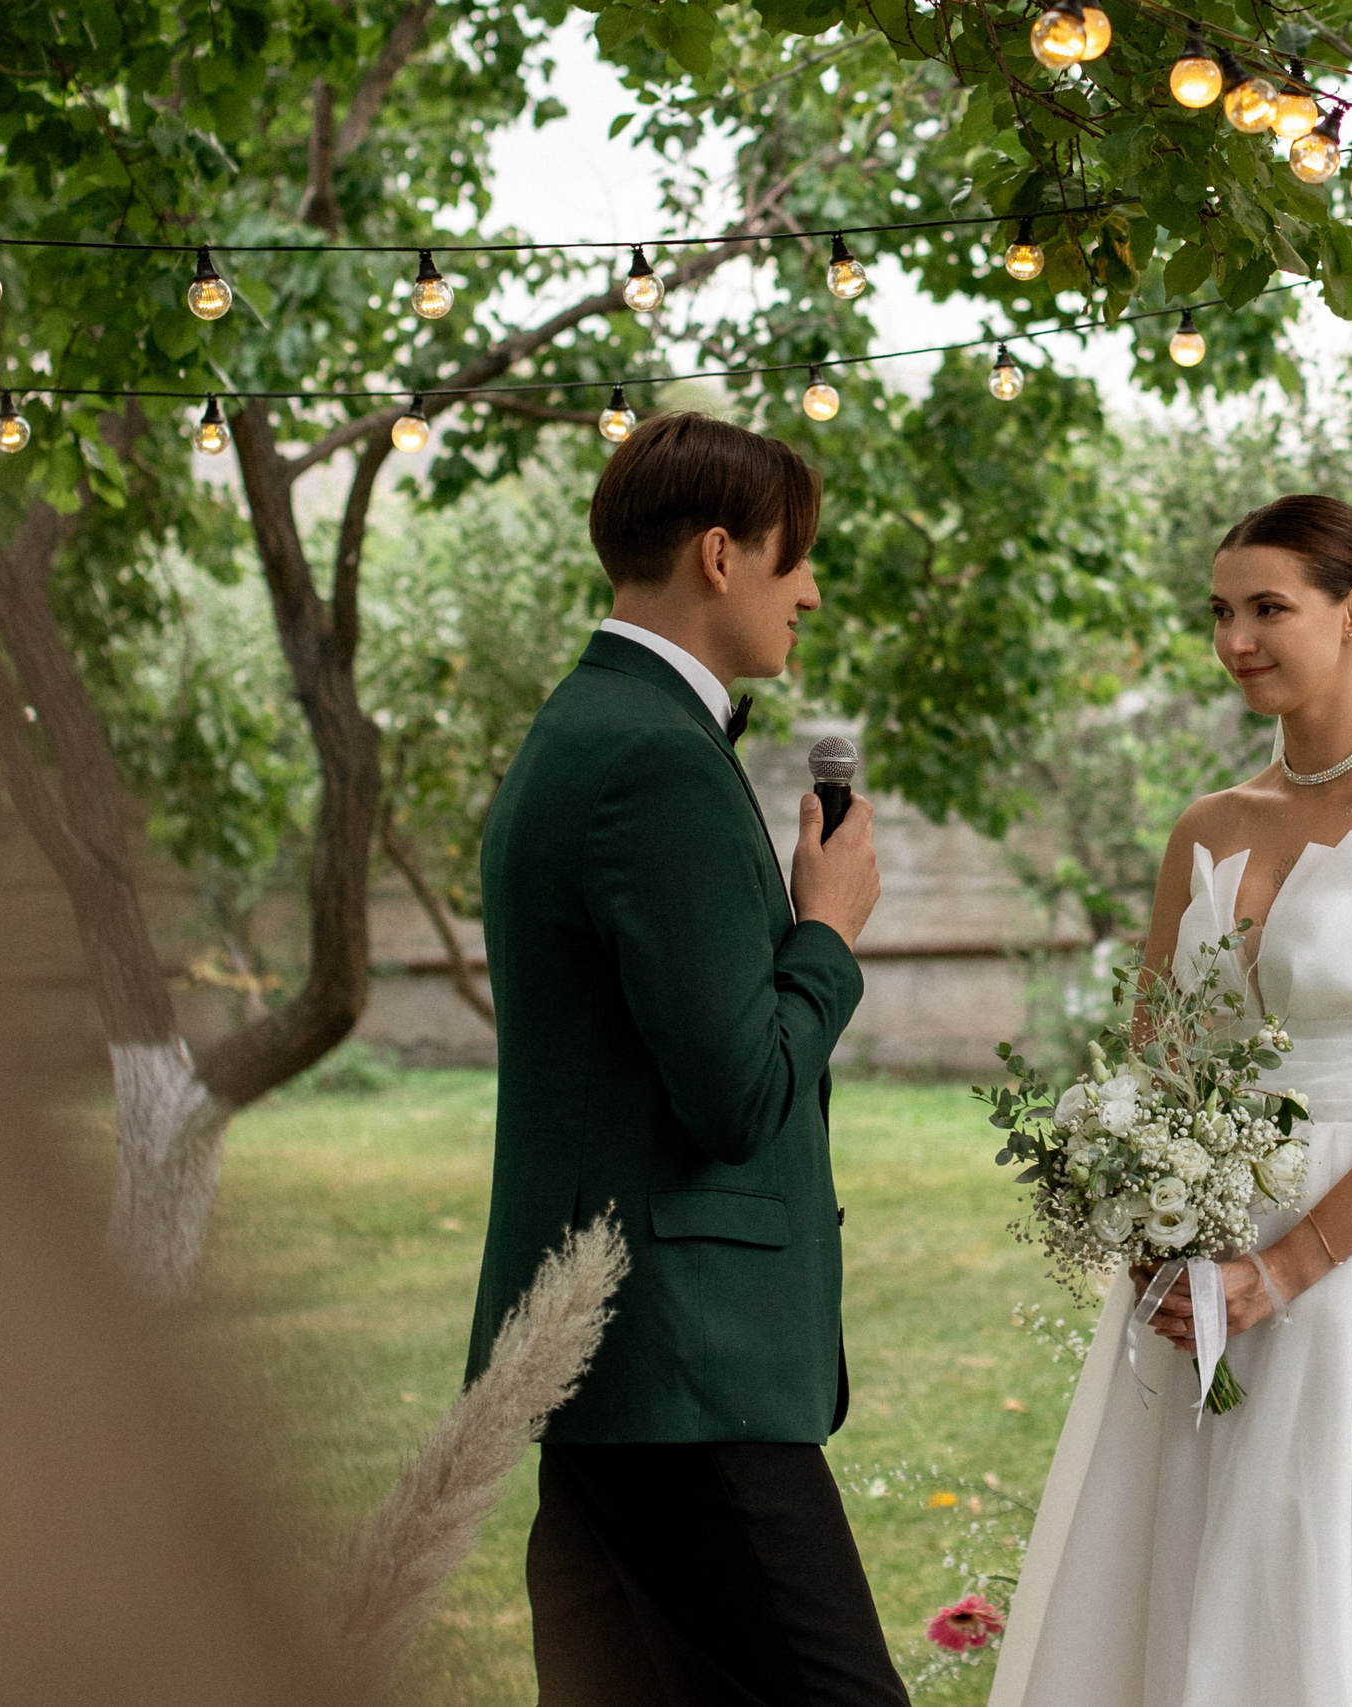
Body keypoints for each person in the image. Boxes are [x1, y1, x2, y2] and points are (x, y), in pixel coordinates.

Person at [989, 496, 1352, 1706]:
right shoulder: (1206, 826)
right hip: (1203, 1250)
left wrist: (1291, 1264)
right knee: (1208, 1552)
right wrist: (1153, 1220)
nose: (1236, 639)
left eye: (1269, 608)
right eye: (1221, 611)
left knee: (1334, 1539)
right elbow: (1152, 1061)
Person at [464, 412, 903, 1707]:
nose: (809, 589)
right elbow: (740, 1090)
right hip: (680, 1364)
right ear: (722, 554)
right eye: (794, 557)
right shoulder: (658, 757)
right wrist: (825, 928)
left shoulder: (588, 725)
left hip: (607, 1349)